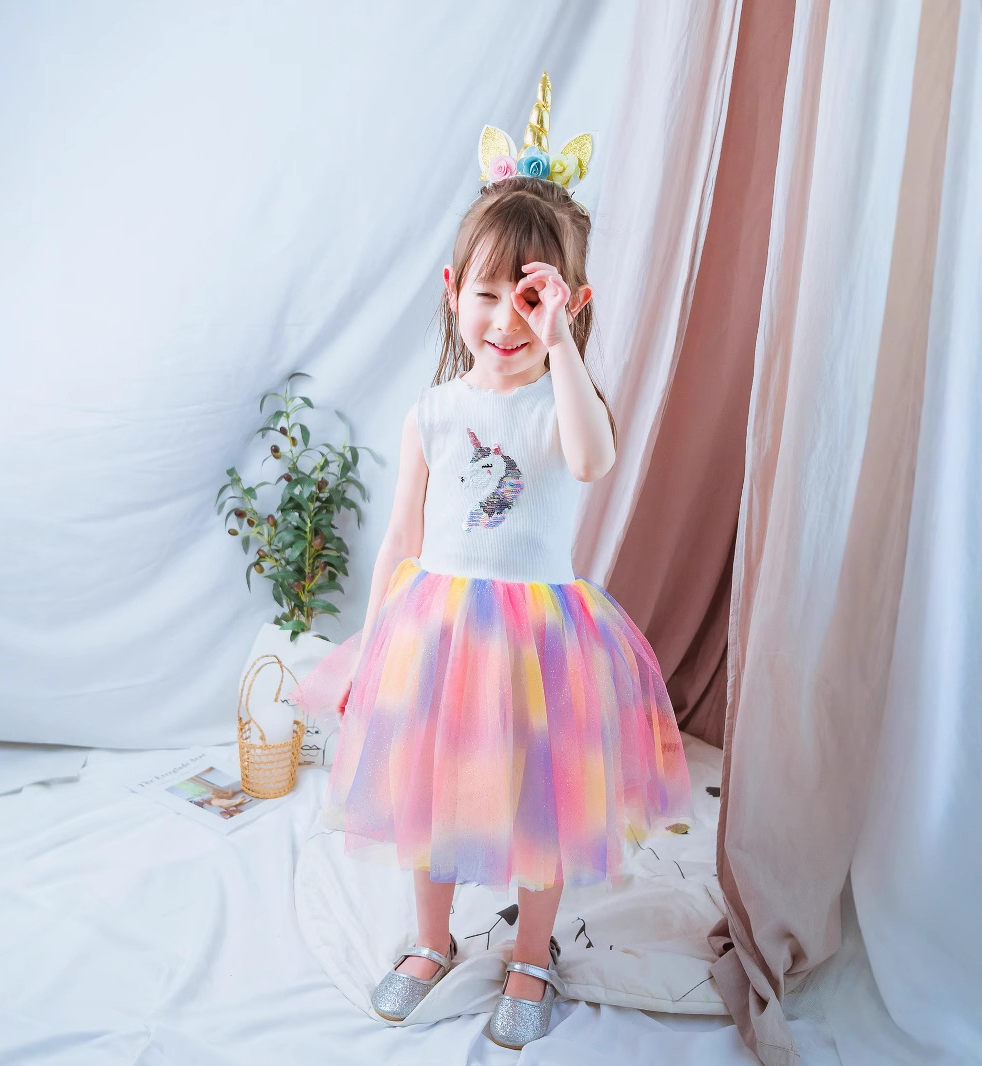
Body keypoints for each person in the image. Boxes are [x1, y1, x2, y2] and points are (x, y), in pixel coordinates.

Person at [286, 72, 692, 1050]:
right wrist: (375, 641)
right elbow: (401, 538)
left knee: (538, 803)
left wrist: (563, 351)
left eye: (532, 297)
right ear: (451, 292)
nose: (506, 319)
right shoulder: (433, 412)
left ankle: (530, 953)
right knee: (430, 790)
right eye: (487, 293)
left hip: (541, 639)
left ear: (570, 304)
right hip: (437, 631)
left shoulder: (565, 407)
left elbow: (591, 462)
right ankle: (431, 940)